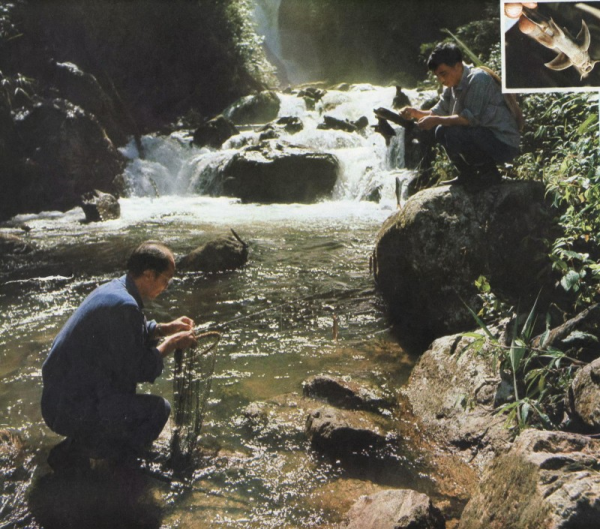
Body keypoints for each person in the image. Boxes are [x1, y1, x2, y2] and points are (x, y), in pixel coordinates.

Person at [41, 241, 197, 471]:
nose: (167, 286)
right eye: (166, 279)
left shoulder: (116, 289)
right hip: (67, 410)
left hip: (58, 402)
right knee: (158, 409)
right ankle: (112, 463)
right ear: (149, 274)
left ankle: (83, 446)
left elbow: (131, 334)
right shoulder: (125, 305)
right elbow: (139, 368)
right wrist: (172, 343)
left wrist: (164, 329)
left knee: (121, 387)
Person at [376, 43, 521, 187]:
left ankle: (490, 175)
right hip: (485, 138)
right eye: (437, 76)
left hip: (504, 143)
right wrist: (415, 113)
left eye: (443, 73)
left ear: (457, 66)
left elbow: (468, 119)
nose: (441, 80)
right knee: (441, 131)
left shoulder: (478, 79)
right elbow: (436, 112)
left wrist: (436, 120)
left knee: (454, 132)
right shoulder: (451, 86)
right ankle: (467, 174)